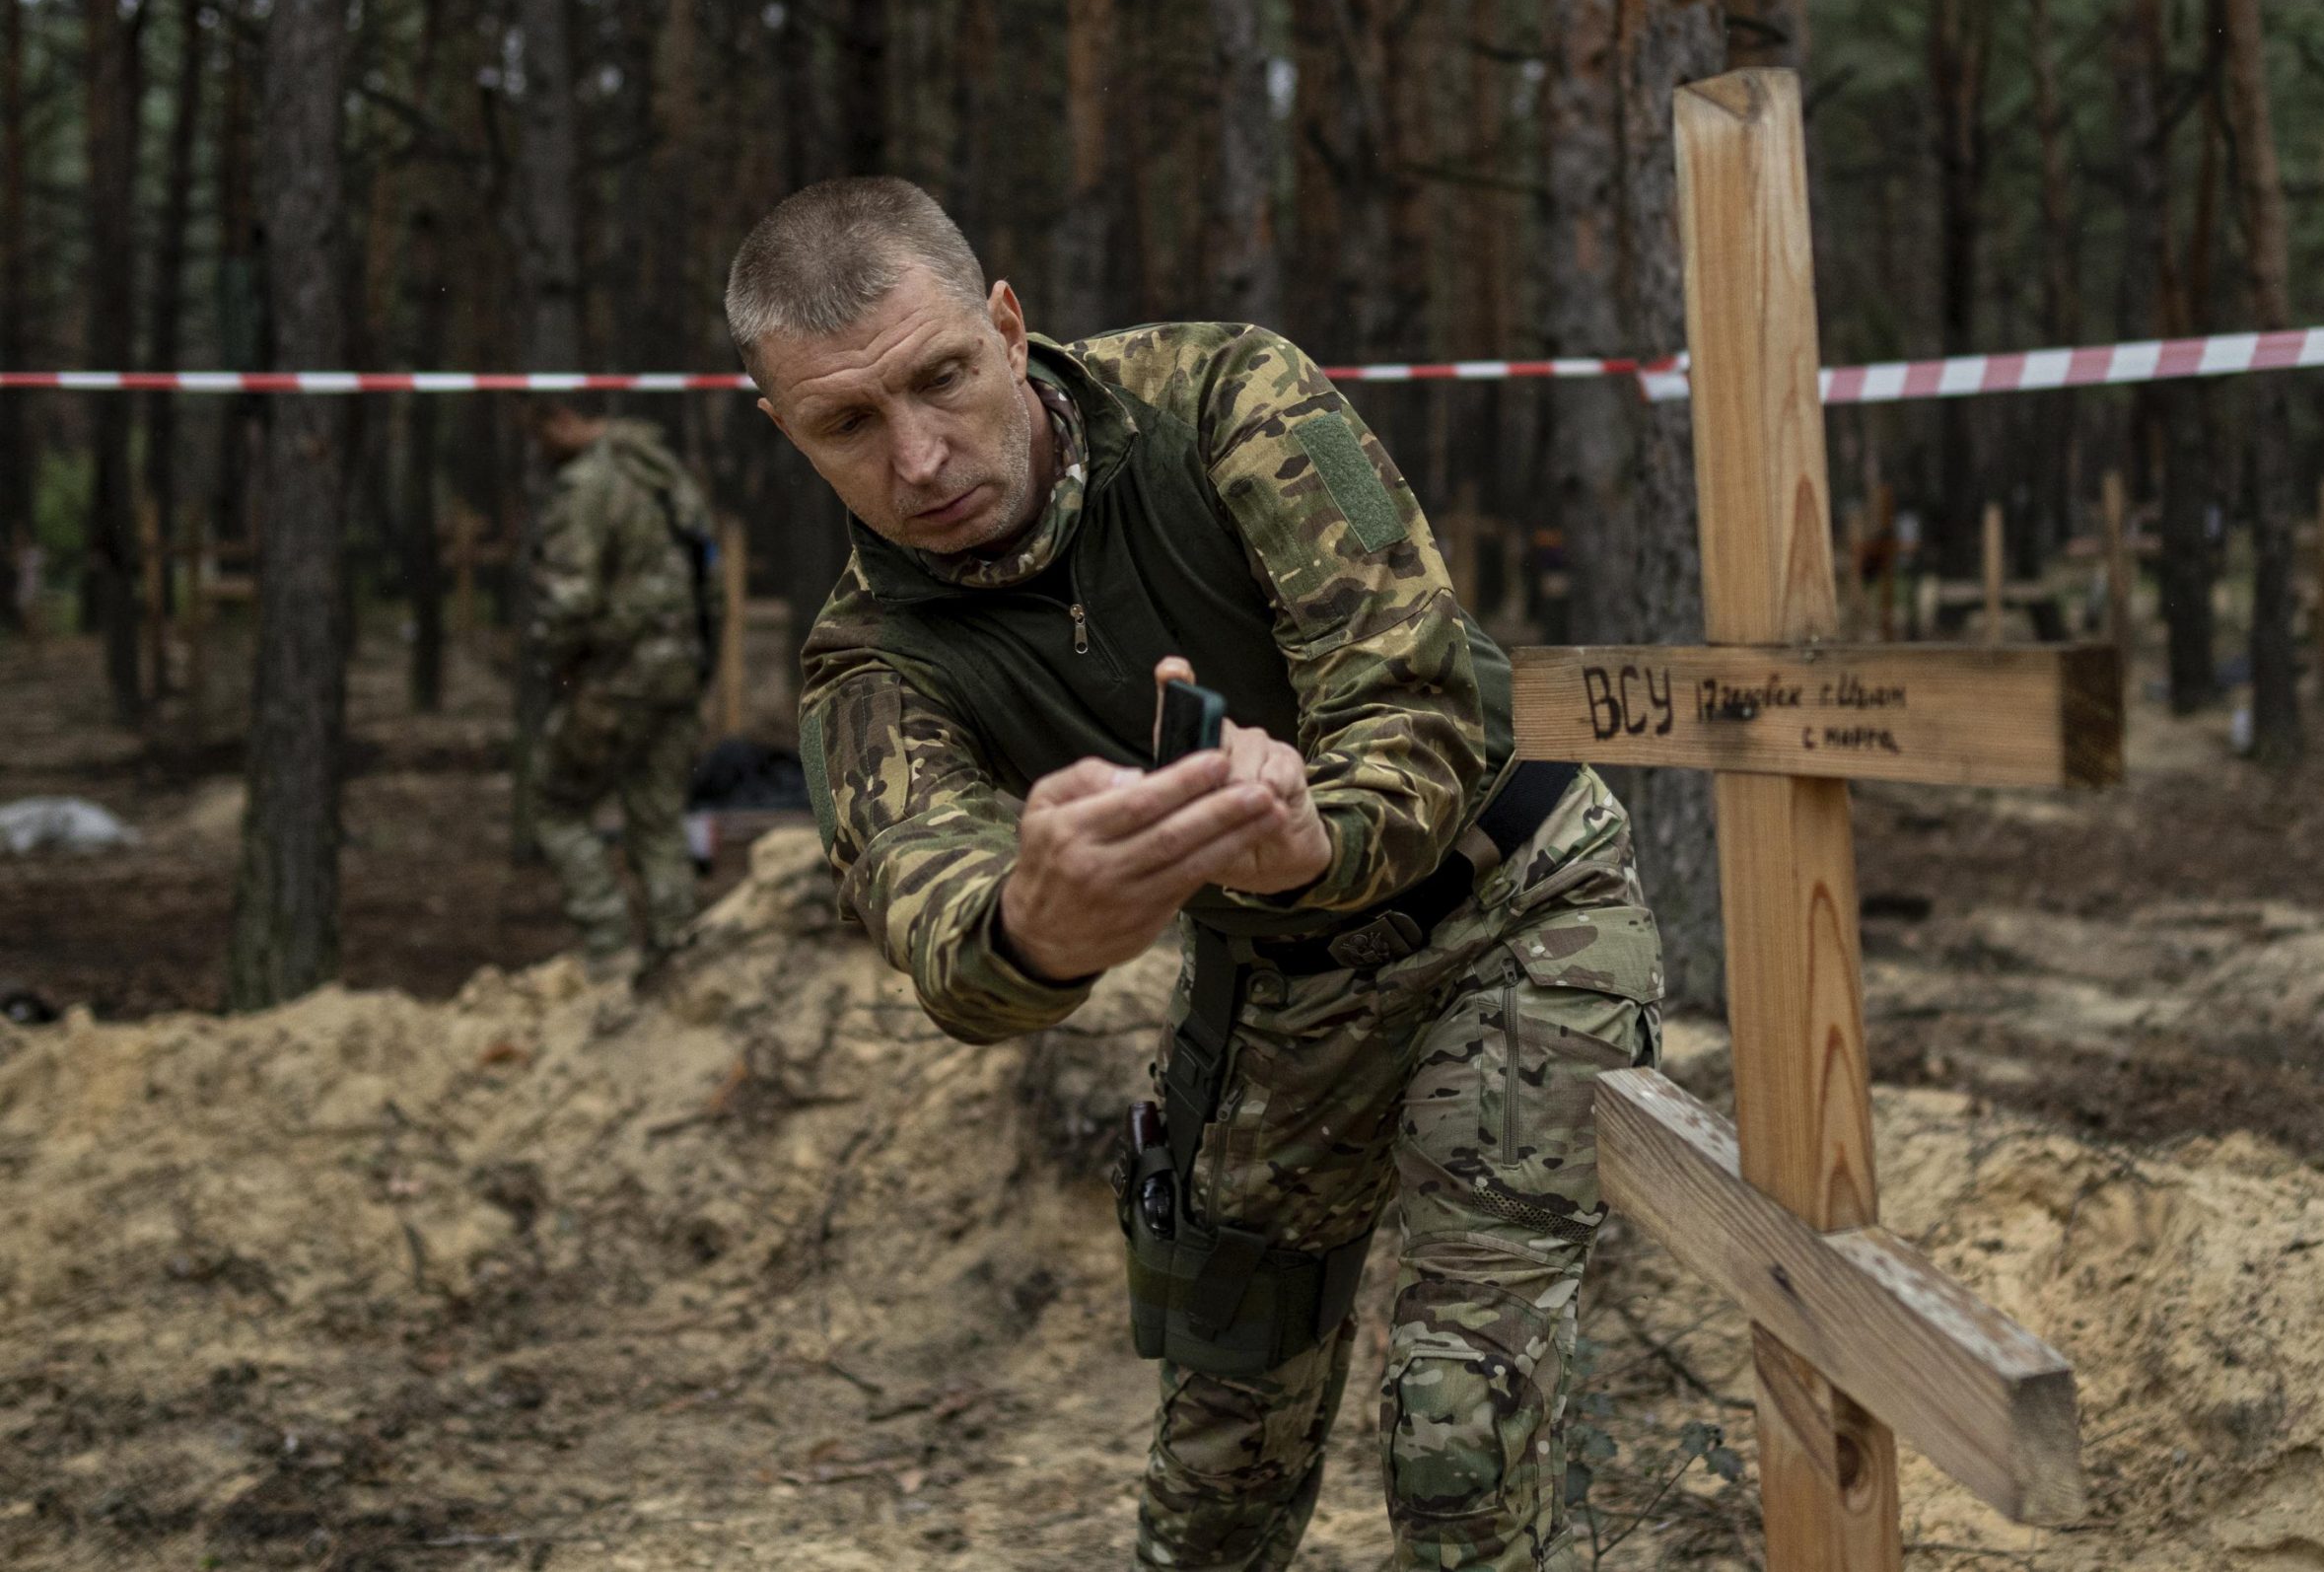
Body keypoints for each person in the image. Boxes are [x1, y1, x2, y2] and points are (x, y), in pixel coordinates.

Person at [735, 177, 1663, 1572]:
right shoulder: (870, 658)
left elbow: (1418, 705)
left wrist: (1316, 842)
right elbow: (938, 917)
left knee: (1459, 1425)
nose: (919, 459)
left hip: (1513, 903)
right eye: (847, 425)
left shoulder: (1224, 394)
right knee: (1218, 1459)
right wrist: (1032, 928)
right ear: (781, 429)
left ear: (1006, 324)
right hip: (1279, 986)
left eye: (939, 380)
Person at [525, 402, 721, 977]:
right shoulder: (662, 471)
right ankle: (678, 950)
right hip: (677, 677)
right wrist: (696, 665)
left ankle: (608, 945)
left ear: (562, 415)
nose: (537, 447)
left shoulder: (588, 486)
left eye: (538, 430)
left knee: (555, 804)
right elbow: (709, 577)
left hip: (615, 684)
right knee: (659, 817)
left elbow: (570, 601)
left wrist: (558, 665)